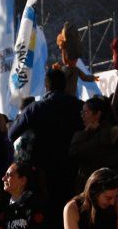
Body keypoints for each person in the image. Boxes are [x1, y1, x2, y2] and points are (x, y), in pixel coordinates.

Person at [7, 68, 82, 196]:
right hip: (72, 166)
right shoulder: (80, 107)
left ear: (46, 86)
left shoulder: (35, 108)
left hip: (41, 168)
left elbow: (11, 134)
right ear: (64, 85)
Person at [69, 96, 118, 191]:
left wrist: (85, 133)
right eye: (82, 112)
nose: (82, 116)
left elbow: (74, 152)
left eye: (86, 112)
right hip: (111, 188)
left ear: (97, 114)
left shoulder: (104, 135)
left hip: (95, 188)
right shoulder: (115, 132)